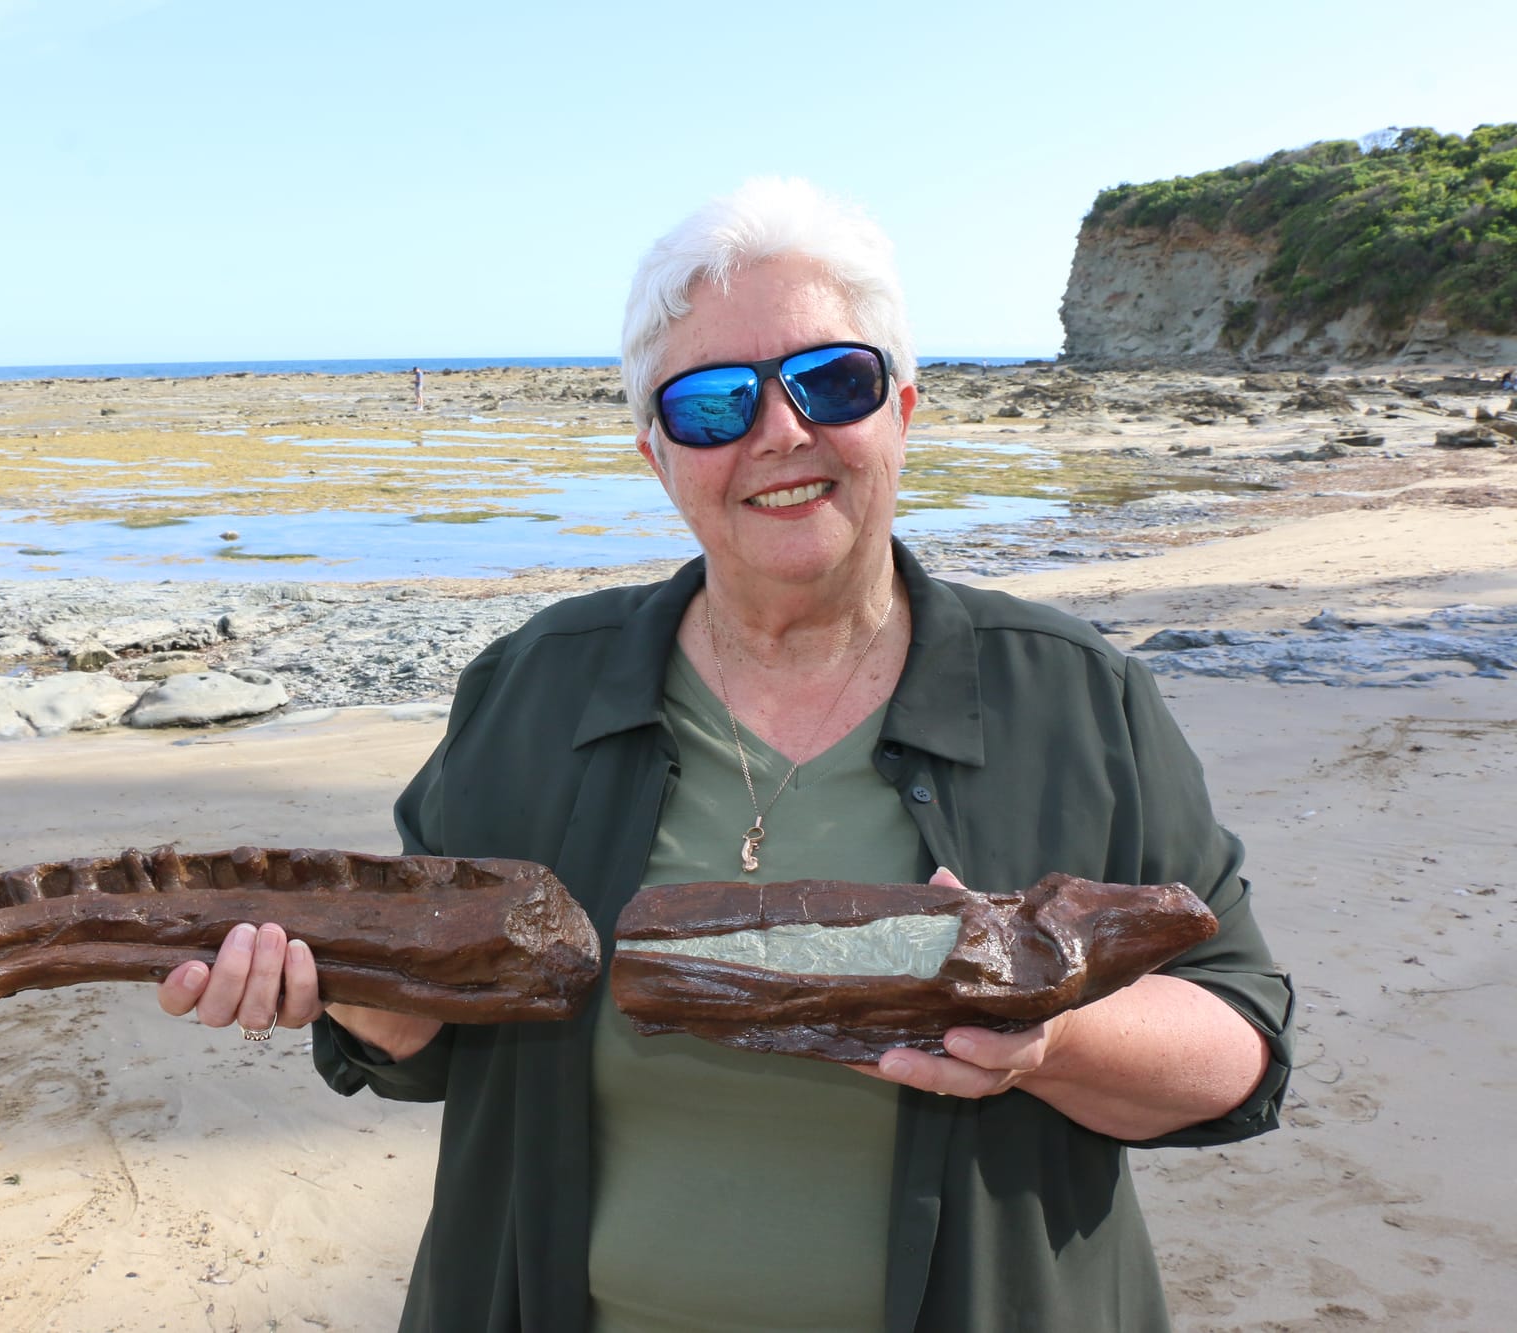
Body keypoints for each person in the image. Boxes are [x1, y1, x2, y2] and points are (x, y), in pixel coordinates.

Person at [158, 178, 1293, 1332]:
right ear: (655, 453)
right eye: (710, 404)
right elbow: (424, 1043)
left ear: (900, 405)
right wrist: (348, 1000)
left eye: (829, 380)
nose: (780, 432)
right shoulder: (535, 687)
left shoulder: (1067, 695)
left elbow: (1238, 1048)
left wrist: (1045, 1033)